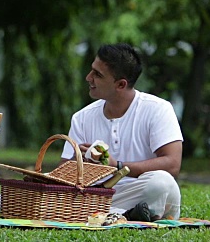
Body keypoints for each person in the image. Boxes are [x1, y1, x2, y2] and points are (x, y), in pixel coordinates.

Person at [60, 43, 183, 221]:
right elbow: (64, 175)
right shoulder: (82, 118)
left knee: (162, 183)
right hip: (99, 195)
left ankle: (111, 215)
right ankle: (126, 215)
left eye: (97, 75)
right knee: (67, 196)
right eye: (91, 70)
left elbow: (172, 164)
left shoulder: (158, 109)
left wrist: (116, 166)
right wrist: (82, 163)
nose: (88, 78)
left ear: (120, 84)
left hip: (142, 190)